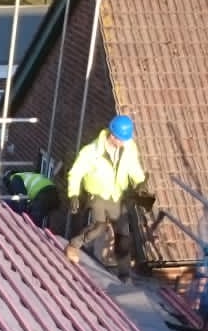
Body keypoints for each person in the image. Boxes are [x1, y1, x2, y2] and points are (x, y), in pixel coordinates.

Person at [65, 115, 153, 276]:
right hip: (97, 194)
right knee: (99, 227)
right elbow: (75, 173)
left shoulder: (128, 146)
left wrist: (140, 182)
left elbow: (133, 166)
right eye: (120, 139)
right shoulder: (90, 152)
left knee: (124, 235)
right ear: (112, 135)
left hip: (116, 195)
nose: (123, 143)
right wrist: (74, 195)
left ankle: (124, 274)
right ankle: (74, 244)